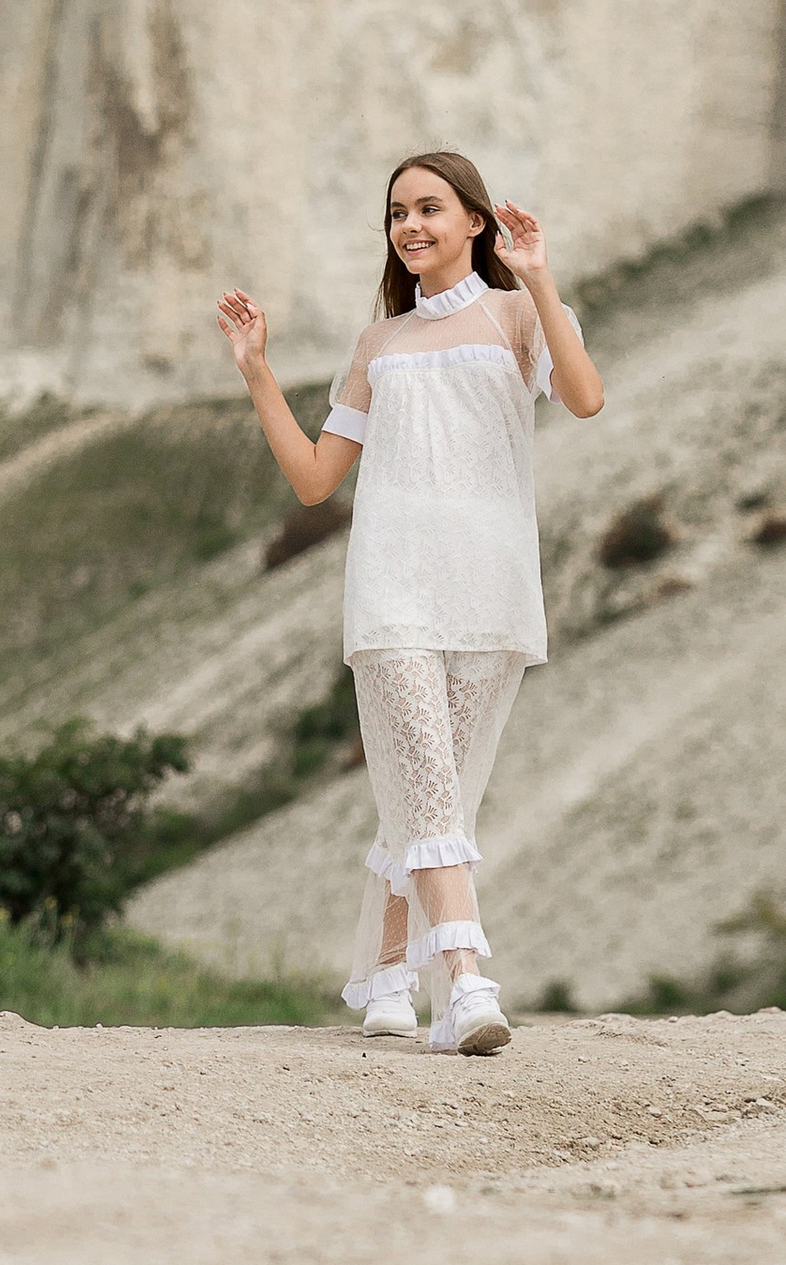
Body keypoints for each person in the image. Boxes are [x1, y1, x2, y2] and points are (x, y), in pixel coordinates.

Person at [217, 150, 605, 1053]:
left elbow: (584, 398)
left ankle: (390, 974)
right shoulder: (378, 344)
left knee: (432, 794)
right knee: (429, 784)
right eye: (397, 213)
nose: (410, 226)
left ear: (475, 220)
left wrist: (543, 281)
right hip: (392, 580)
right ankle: (465, 984)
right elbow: (315, 480)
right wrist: (257, 372)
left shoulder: (516, 315)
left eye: (430, 208)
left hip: (491, 580)